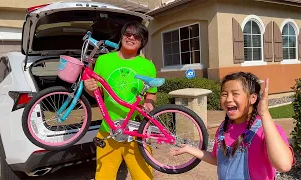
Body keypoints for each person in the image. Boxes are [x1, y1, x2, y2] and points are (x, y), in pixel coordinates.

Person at [170, 72, 295, 180]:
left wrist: (264, 113)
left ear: (252, 98)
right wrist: (190, 149)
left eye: (235, 94)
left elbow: (284, 165)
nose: (229, 99)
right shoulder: (223, 128)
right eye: (224, 94)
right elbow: (219, 160)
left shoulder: (265, 130)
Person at [84, 21, 156, 180]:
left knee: (144, 177)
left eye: (137, 36)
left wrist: (149, 102)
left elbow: (151, 93)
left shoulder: (147, 66)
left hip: (137, 131)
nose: (131, 37)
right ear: (121, 36)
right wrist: (90, 87)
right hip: (108, 130)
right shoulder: (103, 61)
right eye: (127, 33)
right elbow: (97, 93)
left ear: (142, 41)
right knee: (103, 177)